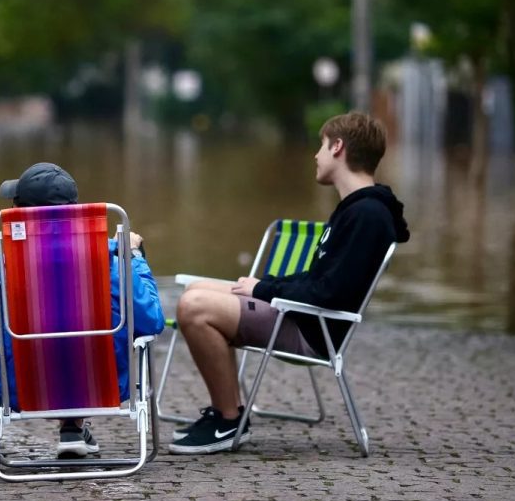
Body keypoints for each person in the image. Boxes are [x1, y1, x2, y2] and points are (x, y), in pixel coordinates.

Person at [168, 111, 410, 455]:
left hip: (312, 329)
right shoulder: (356, 209)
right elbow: (318, 277)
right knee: (196, 290)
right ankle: (229, 414)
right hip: (301, 314)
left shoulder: (367, 216)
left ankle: (228, 419)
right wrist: (261, 283)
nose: (316, 155)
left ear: (338, 147)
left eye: (322, 146)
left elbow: (330, 292)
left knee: (194, 308)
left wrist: (264, 290)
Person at [0, 162, 166, 459]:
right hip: (103, 382)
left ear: (20, 211)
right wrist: (134, 257)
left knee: (43, 337)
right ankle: (74, 426)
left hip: (24, 385)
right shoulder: (110, 257)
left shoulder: (0, 263)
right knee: (78, 336)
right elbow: (152, 320)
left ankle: (72, 428)